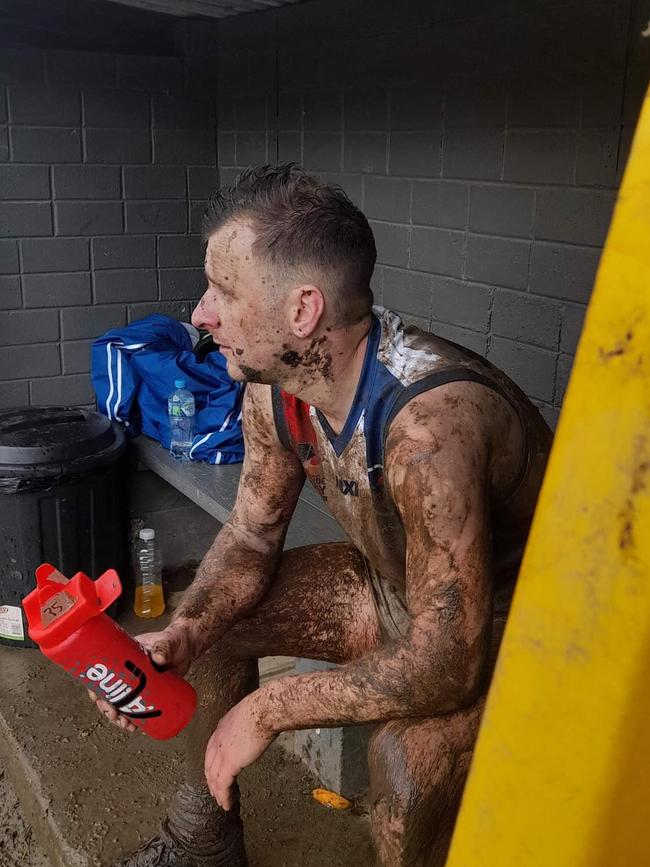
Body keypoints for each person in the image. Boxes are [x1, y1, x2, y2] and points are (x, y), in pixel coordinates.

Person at [90, 164, 552, 867]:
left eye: (225, 291)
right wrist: (184, 633)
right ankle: (201, 844)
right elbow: (249, 535)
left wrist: (268, 708)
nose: (200, 314)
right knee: (215, 619)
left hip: (512, 640)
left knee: (404, 766)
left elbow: (450, 661)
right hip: (397, 593)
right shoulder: (275, 384)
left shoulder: (427, 429)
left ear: (303, 311)